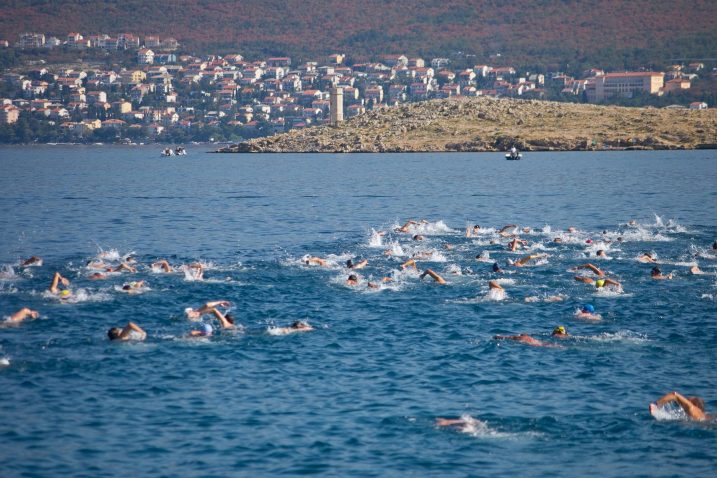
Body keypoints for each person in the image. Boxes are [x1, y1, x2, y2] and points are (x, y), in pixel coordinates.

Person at [493, 333, 560, 348]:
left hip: (534, 345)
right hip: (540, 343)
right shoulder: (531, 338)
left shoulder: (518, 337)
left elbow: (506, 337)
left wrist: (497, 337)